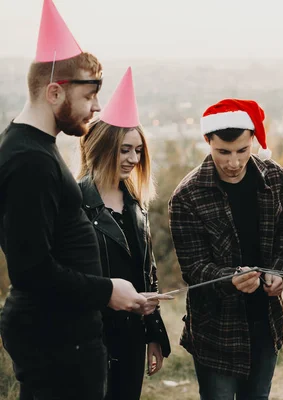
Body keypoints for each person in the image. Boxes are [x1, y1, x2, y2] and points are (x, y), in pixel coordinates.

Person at [0, 2, 146, 399]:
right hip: (56, 344)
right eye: (88, 95)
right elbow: (31, 270)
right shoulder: (30, 161)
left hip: (66, 337)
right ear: (54, 91)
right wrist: (107, 291)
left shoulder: (35, 148)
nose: (97, 107)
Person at [169, 99, 283, 399]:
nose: (234, 162)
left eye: (242, 150)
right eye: (223, 152)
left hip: (266, 325)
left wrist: (279, 270)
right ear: (207, 141)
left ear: (253, 140)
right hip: (217, 333)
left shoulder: (275, 178)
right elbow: (194, 269)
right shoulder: (186, 196)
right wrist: (230, 279)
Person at [78, 67, 172, 400]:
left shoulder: (137, 207)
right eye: (124, 149)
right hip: (88, 340)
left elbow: (147, 275)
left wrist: (154, 335)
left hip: (131, 338)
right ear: (103, 147)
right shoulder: (74, 203)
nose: (133, 159)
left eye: (138, 150)